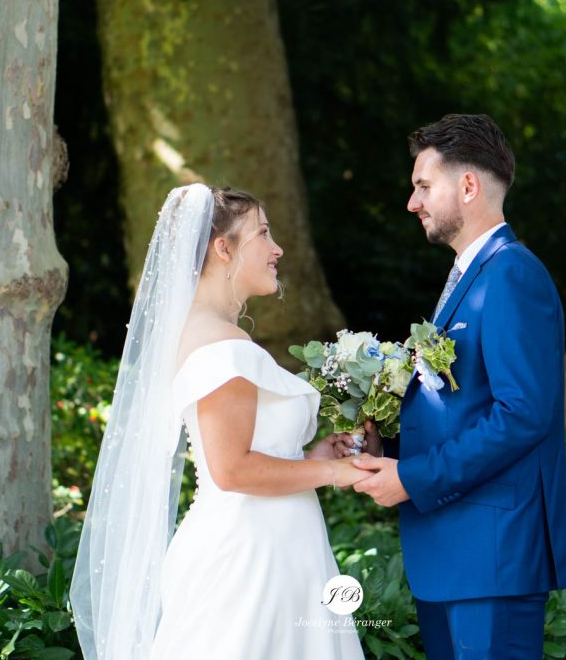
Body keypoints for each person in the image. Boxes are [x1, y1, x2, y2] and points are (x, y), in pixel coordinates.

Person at [71, 184, 367, 660]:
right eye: (264, 235)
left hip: (274, 548)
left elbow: (246, 454)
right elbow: (232, 470)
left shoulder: (205, 334)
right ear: (223, 247)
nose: (278, 249)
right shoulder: (221, 345)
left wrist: (311, 458)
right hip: (249, 560)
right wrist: (336, 473)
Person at [351, 114, 566, 659]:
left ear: (469, 186)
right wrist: (392, 449)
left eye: (423, 186)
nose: (413, 202)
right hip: (457, 555)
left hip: (493, 558)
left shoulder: (511, 274)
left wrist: (413, 477)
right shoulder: (469, 277)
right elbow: (464, 406)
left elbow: (524, 414)